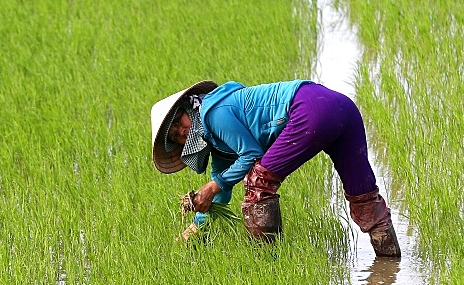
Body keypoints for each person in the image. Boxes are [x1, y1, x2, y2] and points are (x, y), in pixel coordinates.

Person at [150, 79, 400, 256]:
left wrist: (213, 187)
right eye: (175, 137)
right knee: (363, 194)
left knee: (258, 183)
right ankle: (388, 268)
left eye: (179, 123)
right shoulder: (219, 142)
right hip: (342, 107)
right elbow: (222, 189)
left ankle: (268, 263)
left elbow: (250, 154)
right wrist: (195, 228)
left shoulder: (214, 113)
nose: (182, 132)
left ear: (187, 109)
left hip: (309, 109)